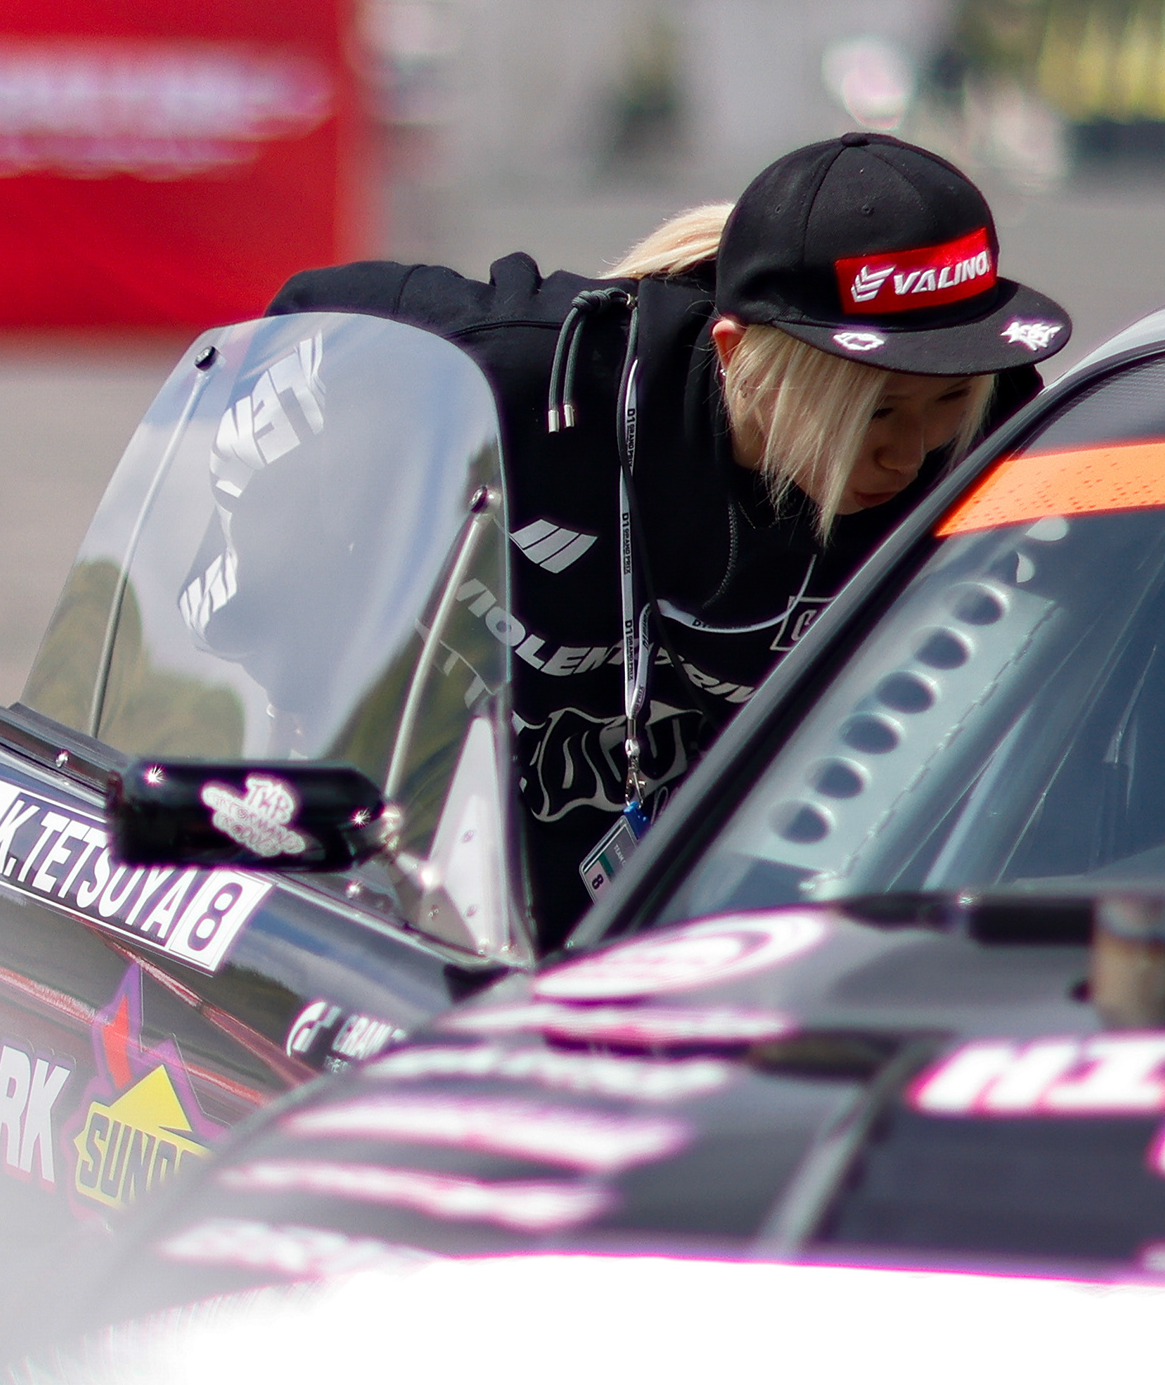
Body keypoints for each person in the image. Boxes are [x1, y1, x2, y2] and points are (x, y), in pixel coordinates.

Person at [270, 132, 1066, 940]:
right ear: (741, 358)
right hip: (420, 899)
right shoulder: (527, 376)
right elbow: (289, 342)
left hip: (739, 928)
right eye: (876, 410)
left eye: (948, 397)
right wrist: (277, 644)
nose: (911, 452)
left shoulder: (997, 435)